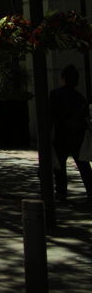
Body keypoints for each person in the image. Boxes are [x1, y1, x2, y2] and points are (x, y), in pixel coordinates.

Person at [51, 64, 92, 203]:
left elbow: (50, 116)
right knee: (84, 166)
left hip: (61, 136)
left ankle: (62, 191)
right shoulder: (80, 97)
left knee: (60, 165)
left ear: (63, 78)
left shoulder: (56, 94)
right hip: (77, 136)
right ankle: (91, 192)